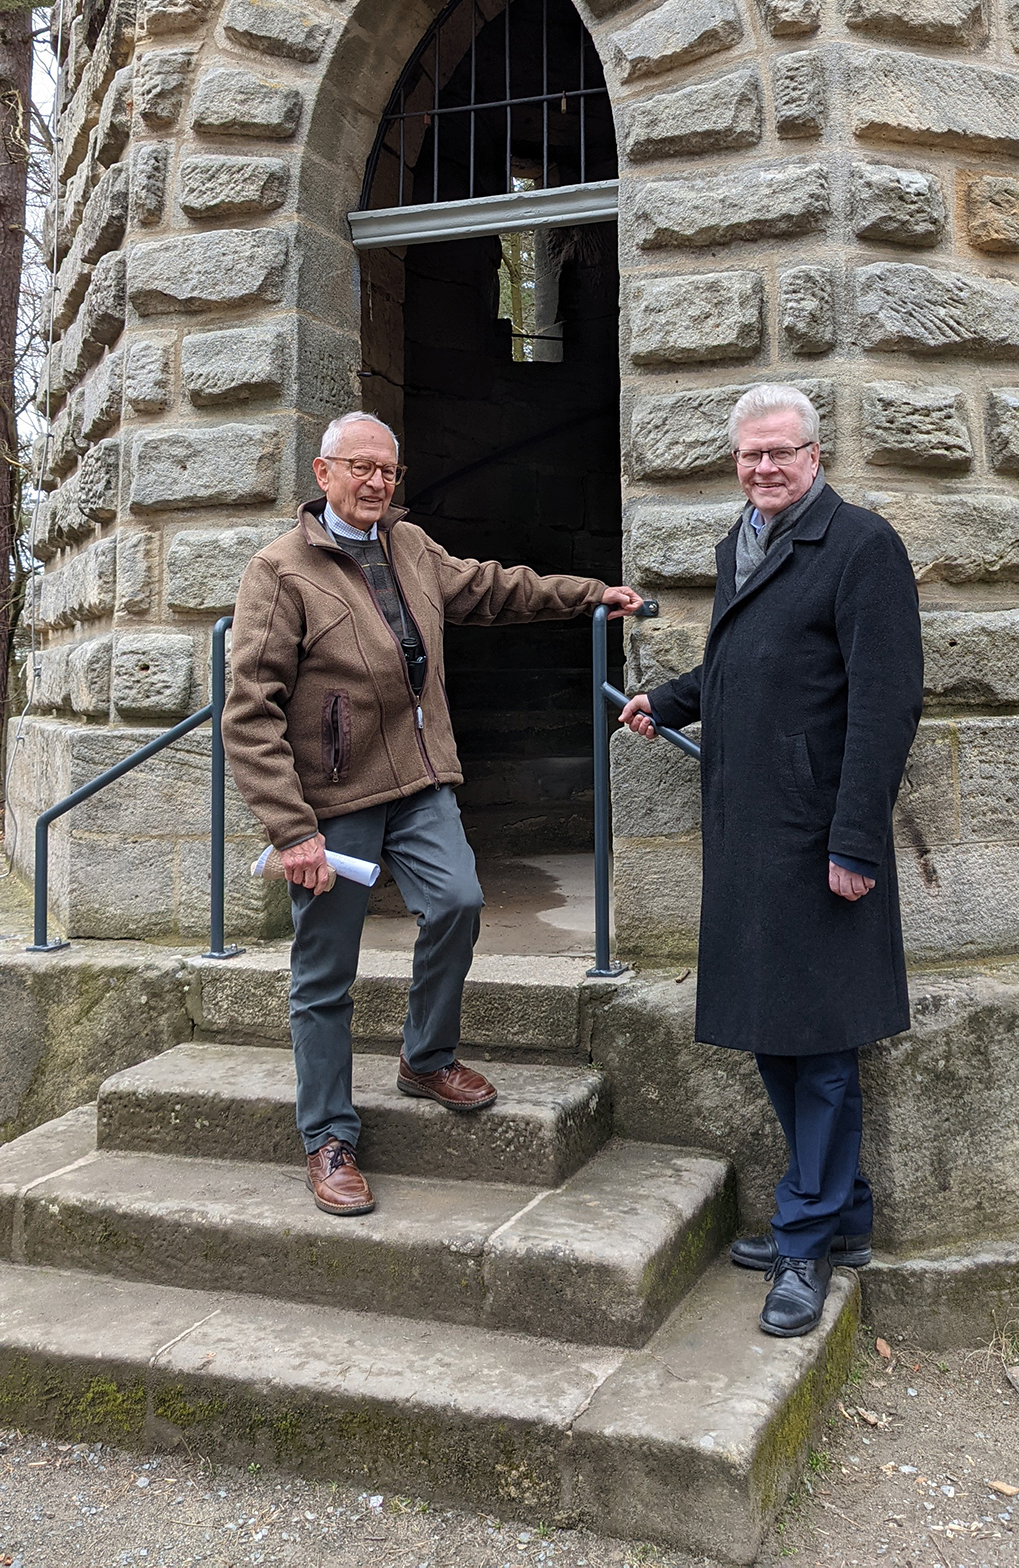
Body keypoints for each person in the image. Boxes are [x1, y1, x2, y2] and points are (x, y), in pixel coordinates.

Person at [224, 411, 641, 1216]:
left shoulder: (410, 548)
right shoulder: (279, 571)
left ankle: (426, 1055)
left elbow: (492, 587)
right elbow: (250, 710)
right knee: (324, 973)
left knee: (457, 902)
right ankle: (329, 1138)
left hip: (420, 782)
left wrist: (590, 594)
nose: (378, 481)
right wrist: (293, 828)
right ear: (323, 473)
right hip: (333, 800)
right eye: (361, 467)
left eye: (389, 469)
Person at [619, 382, 922, 1337]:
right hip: (749, 833)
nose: (763, 468)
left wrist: (856, 840)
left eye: (780, 452)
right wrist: (666, 701)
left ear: (816, 454)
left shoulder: (863, 547)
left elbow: (886, 704)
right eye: (750, 455)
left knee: (821, 1047)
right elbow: (739, 663)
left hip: (818, 835)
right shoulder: (741, 543)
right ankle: (841, 1217)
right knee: (772, 1032)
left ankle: (805, 1243)